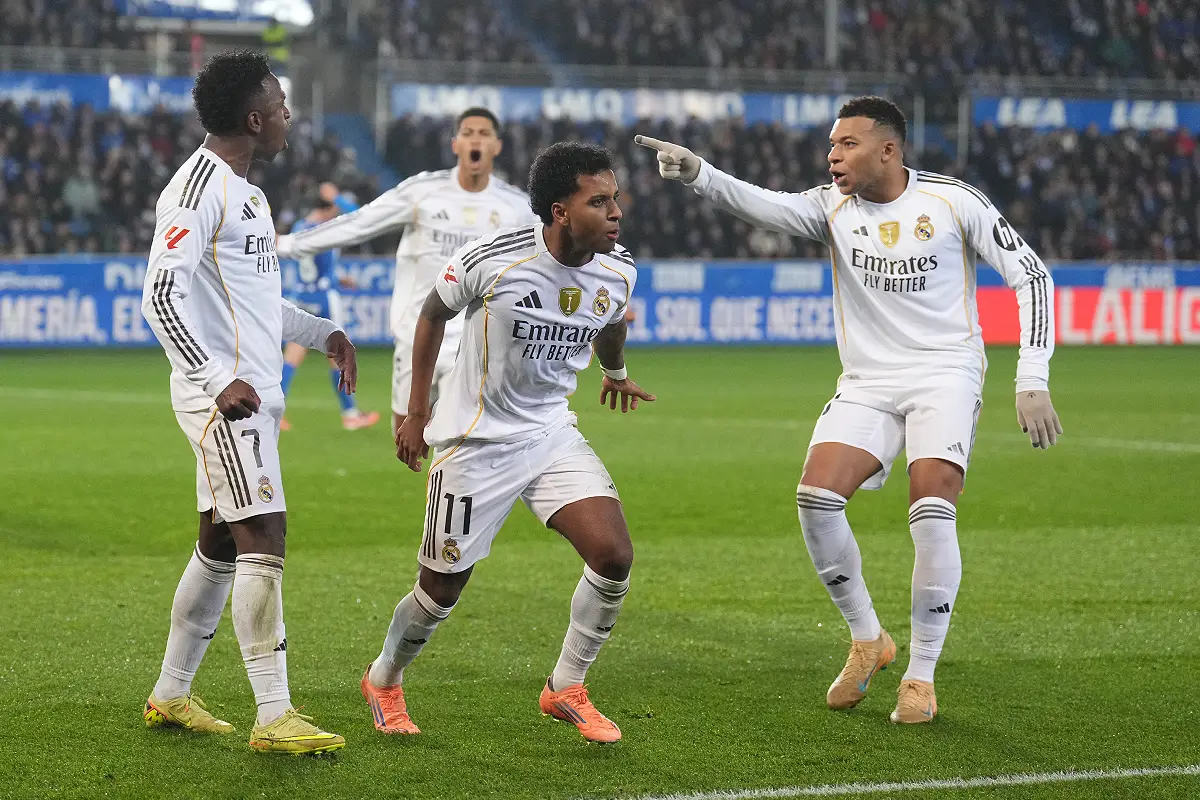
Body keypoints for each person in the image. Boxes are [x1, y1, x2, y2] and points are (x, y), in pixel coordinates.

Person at [637, 96, 1063, 724]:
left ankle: (921, 674)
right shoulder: (829, 206)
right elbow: (762, 202)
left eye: (846, 144)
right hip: (867, 380)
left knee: (931, 507)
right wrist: (700, 172)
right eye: (831, 145)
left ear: (888, 150)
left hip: (945, 373)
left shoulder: (953, 202)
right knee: (816, 497)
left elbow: (1032, 277)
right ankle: (869, 639)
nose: (832, 155)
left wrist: (1032, 376)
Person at [363, 142, 654, 744]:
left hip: (549, 434)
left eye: (616, 198)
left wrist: (616, 372)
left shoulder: (618, 269)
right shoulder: (496, 259)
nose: (615, 211)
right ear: (559, 211)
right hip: (475, 442)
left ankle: (566, 686)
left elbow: (611, 320)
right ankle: (385, 679)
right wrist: (416, 412)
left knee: (614, 555)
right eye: (598, 201)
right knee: (440, 589)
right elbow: (432, 313)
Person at [139, 50, 352, 754]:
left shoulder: (249, 195)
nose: (290, 114)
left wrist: (323, 333)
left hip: (250, 395)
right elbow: (160, 296)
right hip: (224, 402)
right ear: (254, 118)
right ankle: (274, 714)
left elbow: (257, 305)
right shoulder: (196, 190)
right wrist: (212, 379)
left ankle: (171, 693)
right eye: (282, 103)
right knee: (265, 531)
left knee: (221, 540)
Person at [275, 107, 540, 439]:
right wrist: (285, 244)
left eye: (484, 134)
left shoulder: (517, 207)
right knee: (406, 439)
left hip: (479, 346)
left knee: (468, 447)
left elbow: (548, 263)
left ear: (497, 146)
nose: (476, 140)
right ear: (455, 143)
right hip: (419, 338)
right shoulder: (422, 192)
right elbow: (360, 223)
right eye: (468, 133)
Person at [279, 181, 380, 431]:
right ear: (330, 207)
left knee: (292, 357)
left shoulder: (301, 227)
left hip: (303, 296)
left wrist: (339, 278)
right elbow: (361, 215)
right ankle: (351, 413)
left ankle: (273, 410)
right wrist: (338, 198)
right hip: (324, 298)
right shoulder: (325, 228)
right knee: (338, 355)